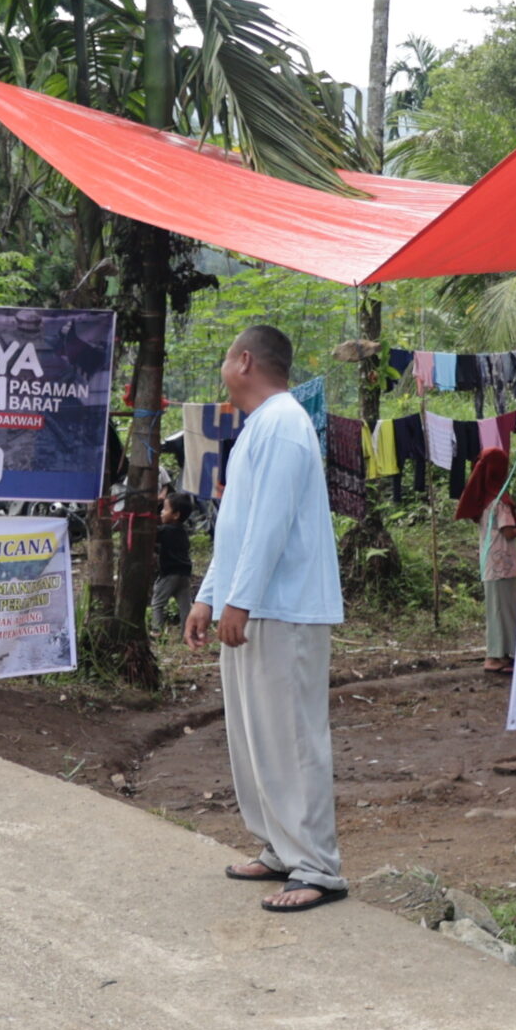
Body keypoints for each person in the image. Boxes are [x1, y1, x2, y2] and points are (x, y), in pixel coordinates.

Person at [186, 324, 347, 913]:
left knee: (293, 738)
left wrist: (242, 599)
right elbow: (237, 529)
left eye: (226, 357)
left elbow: (272, 522)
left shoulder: (283, 424)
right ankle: (279, 848)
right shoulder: (258, 427)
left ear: (245, 361)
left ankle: (317, 867)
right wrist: (209, 596)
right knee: (255, 736)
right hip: (255, 606)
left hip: (284, 608)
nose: (222, 368)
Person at [455, 443, 516, 674]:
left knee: (498, 609)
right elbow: (508, 533)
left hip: (491, 563)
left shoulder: (484, 499)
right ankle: (495, 657)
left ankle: (502, 654)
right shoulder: (500, 501)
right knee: (505, 610)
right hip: (503, 565)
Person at [150, 491, 194, 630]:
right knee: (185, 606)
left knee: (157, 603)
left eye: (165, 509)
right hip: (185, 573)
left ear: (175, 515)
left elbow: (151, 534)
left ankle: (156, 631)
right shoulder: (183, 531)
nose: (161, 512)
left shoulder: (165, 530)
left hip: (169, 573)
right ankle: (187, 633)